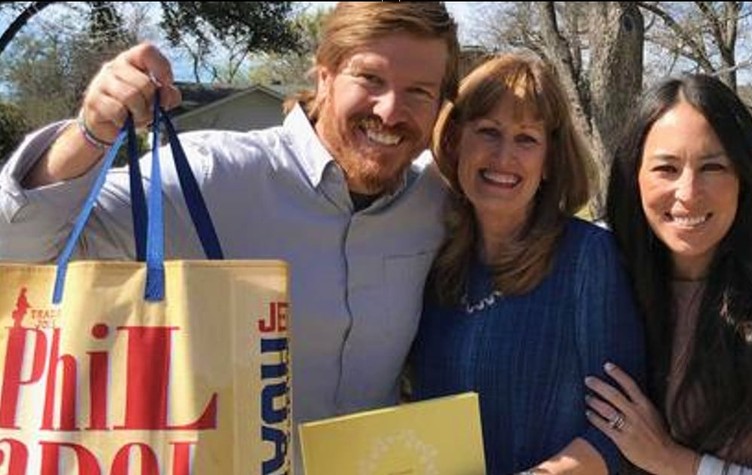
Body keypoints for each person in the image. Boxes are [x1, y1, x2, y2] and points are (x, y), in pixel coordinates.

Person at [0, 0, 459, 447]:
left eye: (419, 91)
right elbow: (24, 248)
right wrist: (91, 131)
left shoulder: (436, 206)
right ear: (324, 76)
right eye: (370, 78)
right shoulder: (211, 176)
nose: (390, 110)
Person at [585, 74, 752, 474]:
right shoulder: (599, 278)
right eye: (666, 168)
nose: (689, 192)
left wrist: (677, 462)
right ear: (634, 178)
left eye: (713, 166)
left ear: (744, 179)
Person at [409, 54, 645, 475]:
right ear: (455, 141)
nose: (504, 156)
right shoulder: (434, 260)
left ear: (550, 159)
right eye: (488, 132)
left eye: (526, 139)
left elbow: (620, 425)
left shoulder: (589, 258)